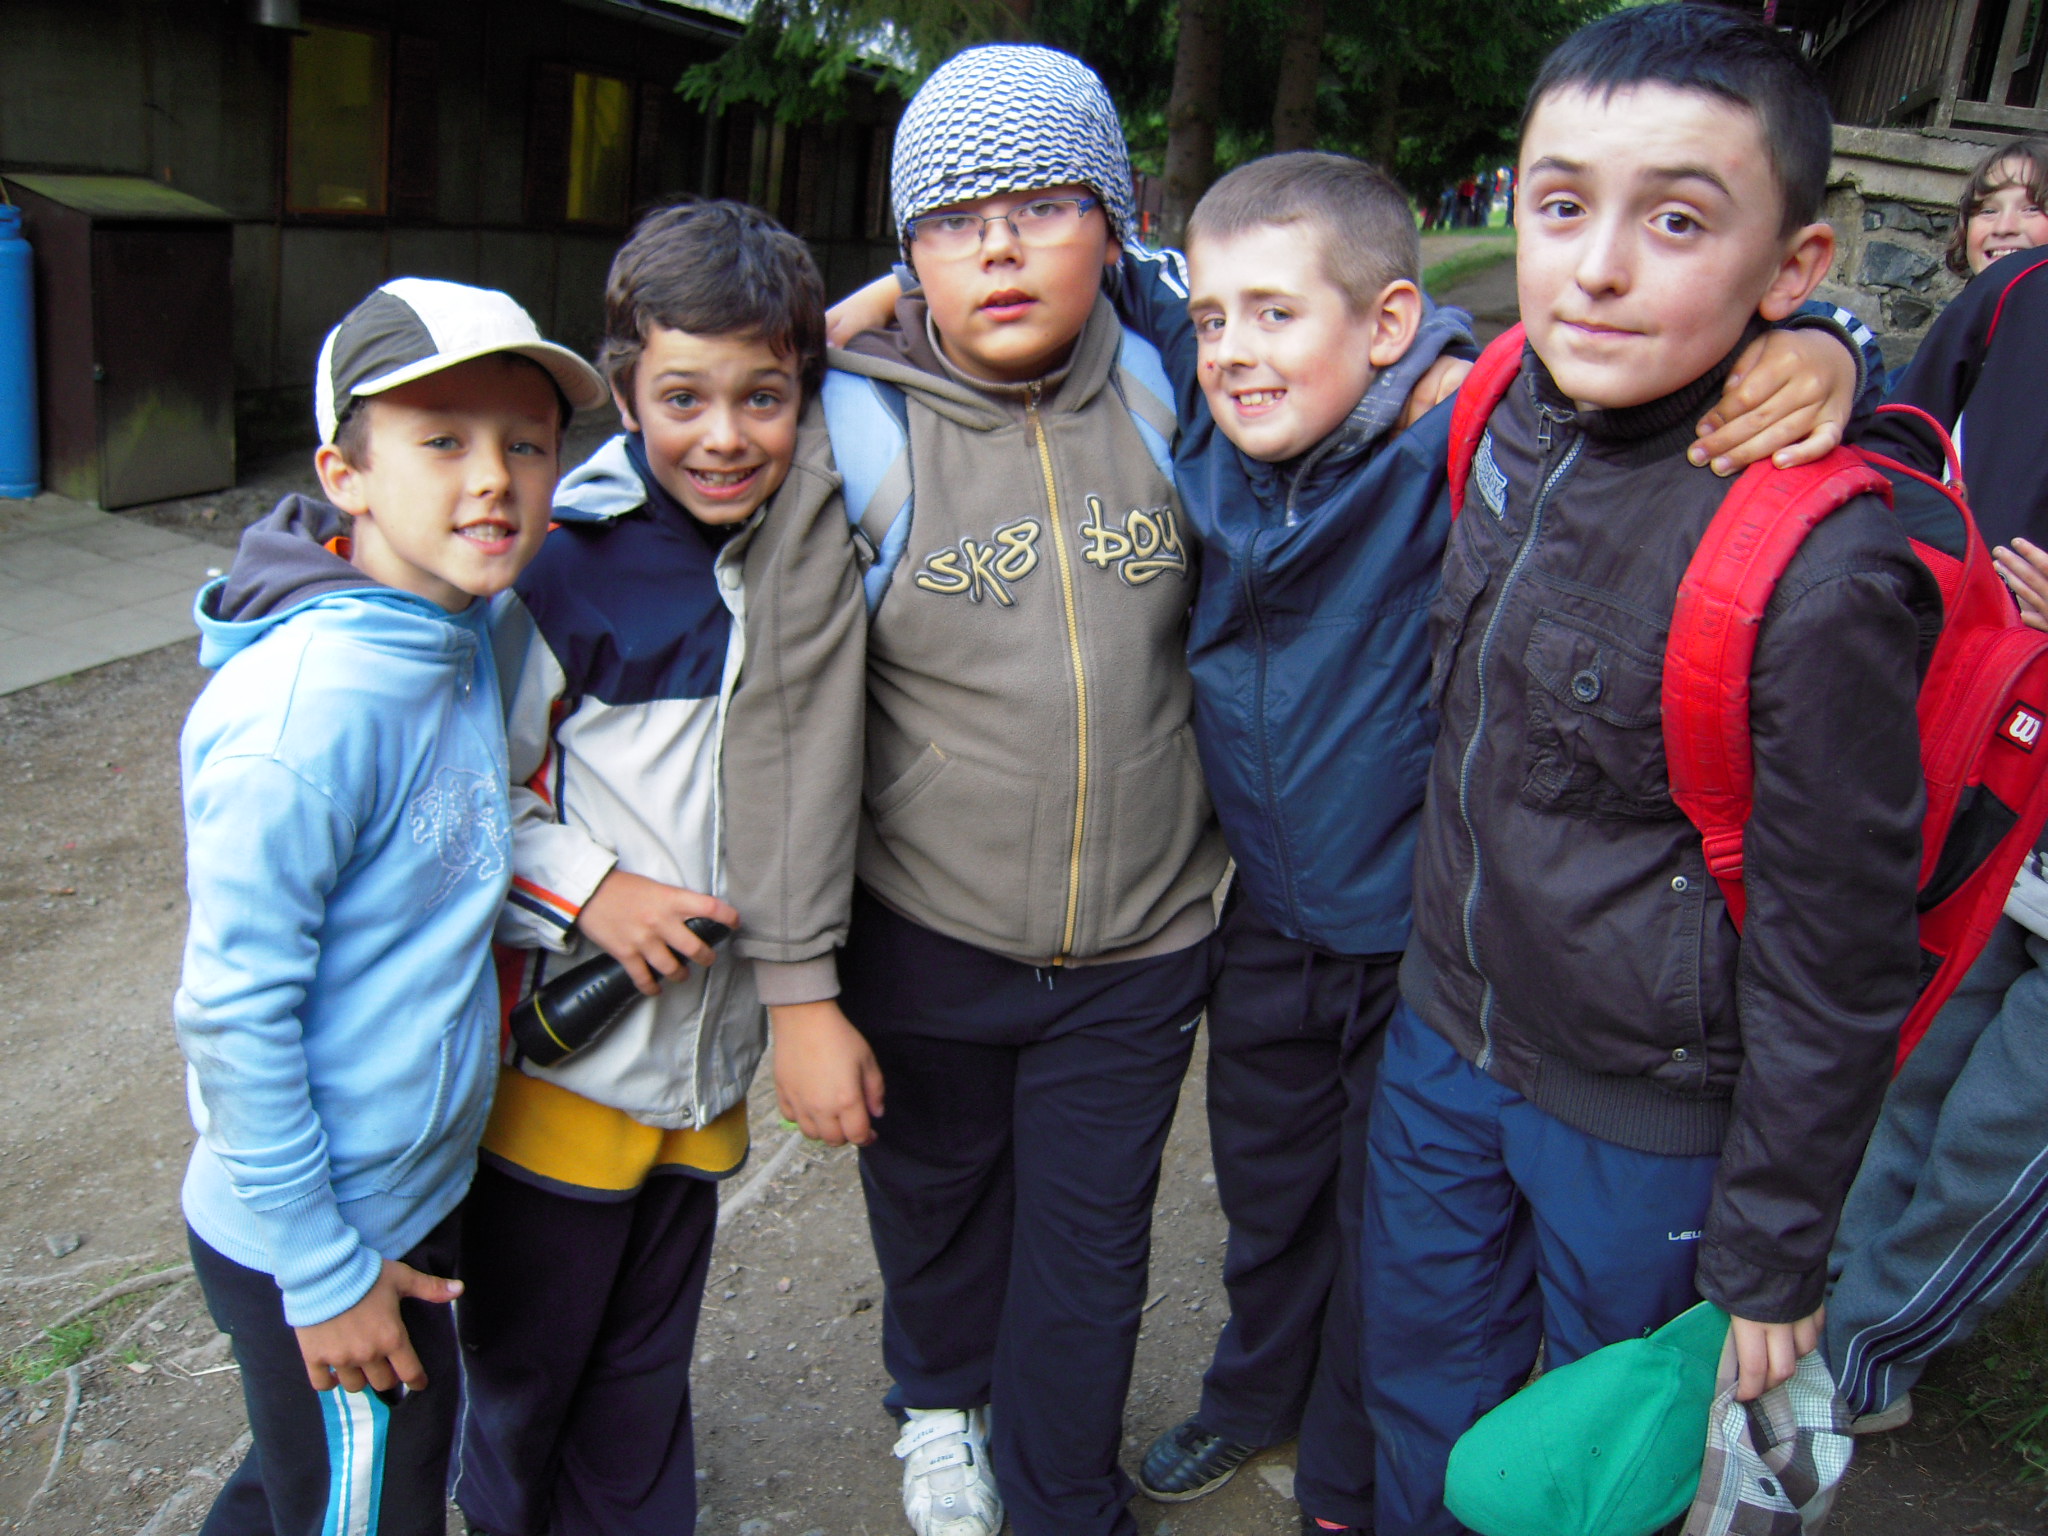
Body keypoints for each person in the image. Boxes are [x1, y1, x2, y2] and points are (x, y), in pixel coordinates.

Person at [1100, 153, 1870, 1536]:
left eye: (1273, 315)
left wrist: (1829, 345)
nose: (1233, 349)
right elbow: (1093, 258)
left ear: (1387, 326)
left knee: (1383, 1239)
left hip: (1418, 942)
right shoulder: (1212, 430)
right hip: (1269, 925)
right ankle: (1249, 1391)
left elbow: (1641, 387)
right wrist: (850, 316)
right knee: (1269, 1203)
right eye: (1216, 320)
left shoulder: (1456, 435)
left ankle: (1345, 1481)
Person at [1358, 7, 1940, 1532]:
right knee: (1423, 1399)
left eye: (1677, 220)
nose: (1598, 267)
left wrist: (1774, 1246)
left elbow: (1837, 949)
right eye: (1561, 206)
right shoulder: (1501, 402)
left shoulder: (1817, 573)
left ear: (1792, 267)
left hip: (1649, 1126)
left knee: (1600, 1472)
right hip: (1445, 1040)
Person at [721, 43, 1229, 1536]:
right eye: (951, 221)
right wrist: (800, 993)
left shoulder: (1184, 385)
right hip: (926, 936)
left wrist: (1826, 341)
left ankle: (1066, 1495)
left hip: (1140, 943)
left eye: (1041, 207)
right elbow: (789, 720)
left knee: (1090, 1248)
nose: (997, 250)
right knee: (937, 1206)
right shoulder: (848, 427)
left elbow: (1368, 339)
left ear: (1116, 225)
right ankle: (942, 1408)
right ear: (906, 255)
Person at [174, 278, 605, 1536]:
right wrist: (322, 1274)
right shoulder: (303, 713)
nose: (494, 480)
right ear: (345, 476)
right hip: (325, 1233)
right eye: (443, 441)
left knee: (312, 1481)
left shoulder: (455, 627)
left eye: (527, 444)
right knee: (371, 1503)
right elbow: (233, 1013)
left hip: (403, 1193)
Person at [451, 201, 822, 1536]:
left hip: (702, 1069)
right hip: (564, 1067)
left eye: (763, 397)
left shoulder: (805, 544)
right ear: (622, 396)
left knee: (646, 1355)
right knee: (527, 1369)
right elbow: (455, 804)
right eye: (682, 399)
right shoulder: (557, 566)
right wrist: (589, 888)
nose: (723, 436)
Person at [1822, 186, 2048, 1436]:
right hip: (1992, 793)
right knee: (1907, 1076)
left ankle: (1861, 1364)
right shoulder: (2019, 297)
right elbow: (1900, 436)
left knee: (1996, 1145)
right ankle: (1819, 1307)